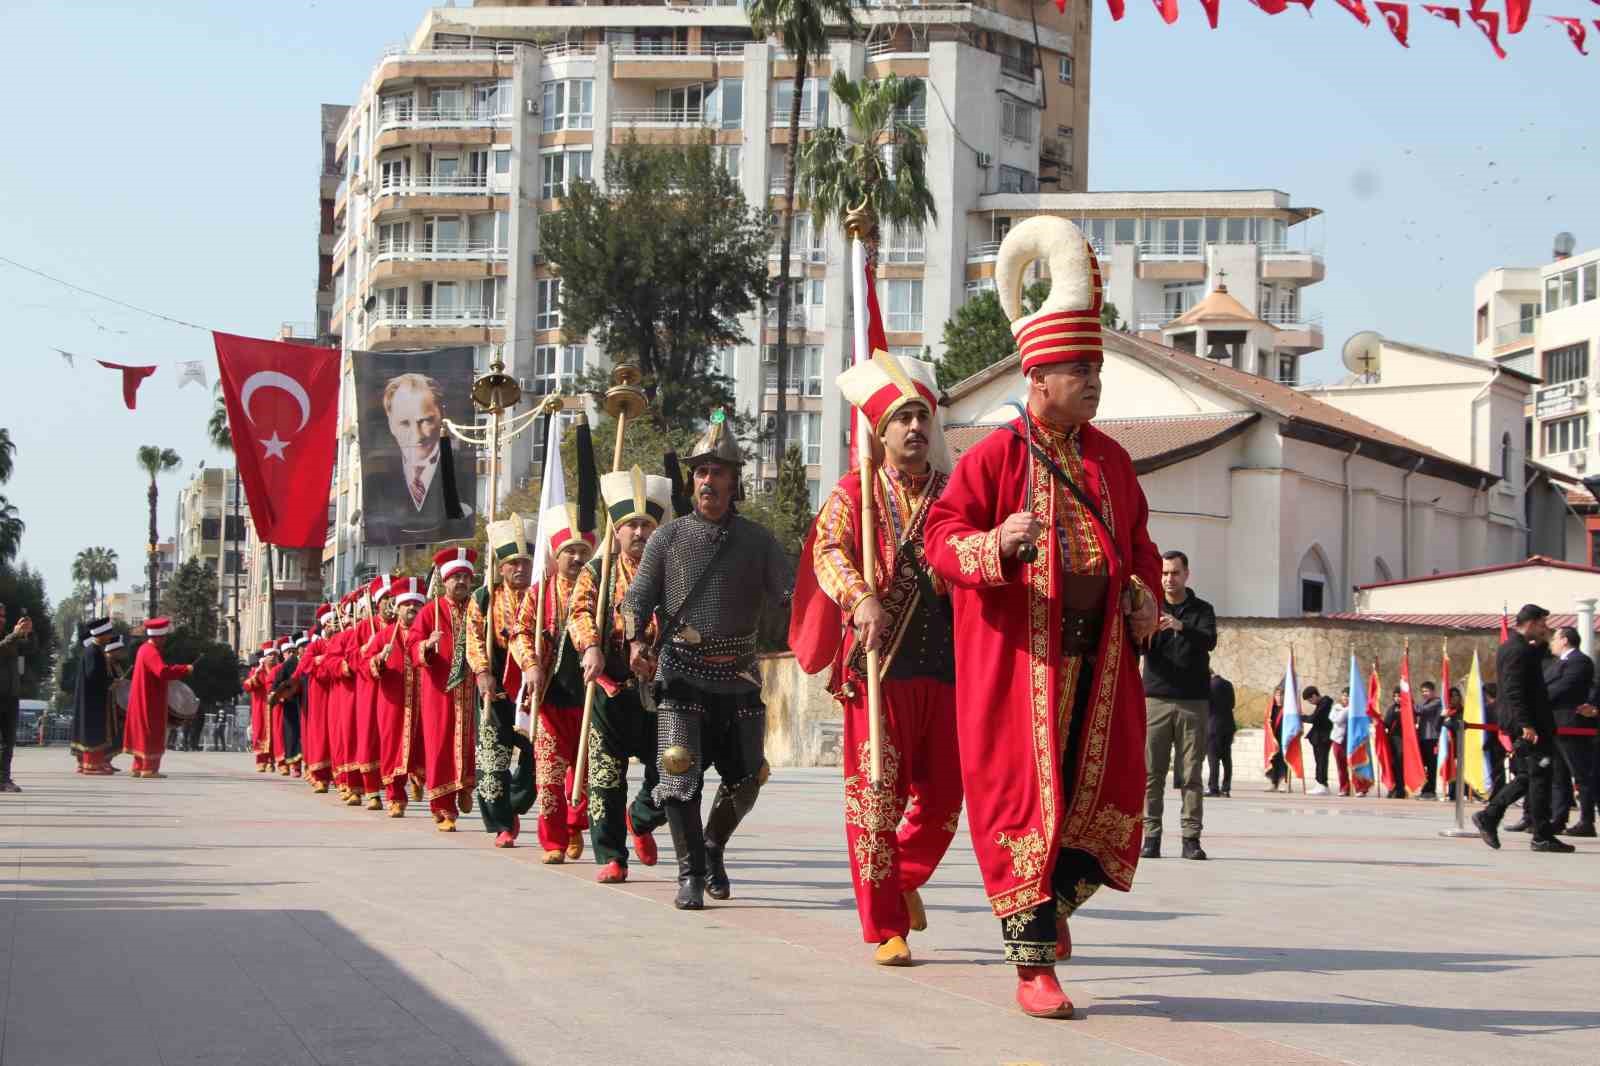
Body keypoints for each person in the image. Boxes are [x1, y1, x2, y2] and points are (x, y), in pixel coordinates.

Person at [924, 217, 1161, 1020]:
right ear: (1037, 376)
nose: (1093, 381)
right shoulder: (995, 457)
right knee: (1027, 808)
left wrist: (1144, 593)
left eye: (1096, 367)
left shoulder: (1113, 461)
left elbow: (1141, 545)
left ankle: (1052, 910)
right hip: (1019, 665)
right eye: (1078, 368)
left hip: (1099, 670)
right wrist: (994, 542)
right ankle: (1031, 968)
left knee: (1106, 805)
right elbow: (941, 540)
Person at [796, 350, 964, 966]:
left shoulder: (956, 489)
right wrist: (860, 597)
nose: (915, 428)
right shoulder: (854, 491)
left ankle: (903, 877)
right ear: (881, 431)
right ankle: (885, 927)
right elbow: (827, 552)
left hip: (947, 666)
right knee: (875, 801)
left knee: (946, 798)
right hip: (880, 666)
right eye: (902, 419)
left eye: (922, 416)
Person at [621, 411, 793, 911]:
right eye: (700, 472)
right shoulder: (667, 539)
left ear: (734, 480)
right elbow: (636, 600)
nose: (707, 480)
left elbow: (789, 594)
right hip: (681, 672)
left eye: (717, 471)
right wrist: (635, 642)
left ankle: (714, 845)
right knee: (678, 773)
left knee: (747, 776)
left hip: (738, 673)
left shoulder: (758, 541)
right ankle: (690, 872)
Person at [561, 471, 672, 884]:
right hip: (611, 688)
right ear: (617, 529)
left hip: (661, 688)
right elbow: (579, 611)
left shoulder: (672, 569)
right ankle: (611, 856)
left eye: (647, 524)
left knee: (674, 771)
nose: (640, 531)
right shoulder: (597, 570)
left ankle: (641, 820)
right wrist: (590, 645)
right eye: (632, 525)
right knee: (606, 775)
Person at [515, 506, 595, 863]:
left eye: (583, 551)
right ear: (556, 555)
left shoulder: (598, 587)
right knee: (548, 772)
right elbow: (519, 632)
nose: (577, 558)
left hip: (591, 695)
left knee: (586, 769)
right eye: (570, 551)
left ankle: (577, 827)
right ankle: (553, 842)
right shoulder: (540, 592)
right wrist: (530, 665)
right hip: (550, 696)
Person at [1472, 604, 1574, 853]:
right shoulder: (1517, 650)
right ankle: (1539, 834)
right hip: (1530, 724)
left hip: (1531, 722)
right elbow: (1513, 690)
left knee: (1533, 775)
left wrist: (1545, 639)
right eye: (1541, 625)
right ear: (1529, 623)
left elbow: (1538, 658)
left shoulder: (1519, 648)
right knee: (1539, 775)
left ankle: (1493, 816)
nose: (1545, 629)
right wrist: (1525, 724)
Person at [1140, 550, 1216, 859]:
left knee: (1191, 773)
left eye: (1175, 573)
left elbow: (1209, 640)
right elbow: (1139, 645)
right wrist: (1150, 629)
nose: (1169, 579)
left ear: (1186, 574)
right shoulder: (1150, 606)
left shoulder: (1202, 610)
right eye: (1165, 573)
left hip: (1192, 702)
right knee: (1151, 773)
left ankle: (1190, 838)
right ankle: (1151, 836)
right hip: (1156, 700)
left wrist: (1181, 626)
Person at [468, 516, 539, 849]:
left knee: (534, 758)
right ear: (500, 567)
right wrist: (482, 672)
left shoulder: (541, 596)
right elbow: (473, 640)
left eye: (525, 562)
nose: (520, 569)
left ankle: (516, 804)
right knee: (492, 761)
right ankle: (500, 823)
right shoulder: (484, 598)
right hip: (496, 692)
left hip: (534, 692)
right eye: (513, 563)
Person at [412, 547, 479, 831]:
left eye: (465, 576)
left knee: (466, 741)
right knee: (440, 743)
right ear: (445, 581)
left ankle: (463, 786)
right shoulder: (431, 611)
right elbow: (412, 643)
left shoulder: (477, 608)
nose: (461, 582)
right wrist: (427, 644)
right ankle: (443, 805)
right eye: (455, 577)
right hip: (439, 690)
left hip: (469, 688)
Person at [364, 373, 474, 544]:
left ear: (442, 415)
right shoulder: (378, 485)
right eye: (404, 423)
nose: (417, 436)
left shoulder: (463, 472)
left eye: (425, 421)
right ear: (390, 424)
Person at [373, 577, 427, 816]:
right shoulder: (386, 635)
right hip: (393, 703)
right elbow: (369, 665)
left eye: (417, 604)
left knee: (423, 745)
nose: (412, 609)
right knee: (392, 748)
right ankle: (395, 797)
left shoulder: (428, 634)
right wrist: (379, 660)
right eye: (407, 605)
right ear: (399, 607)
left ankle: (418, 778)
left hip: (423, 702)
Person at [120, 617, 192, 779]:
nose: (165, 640)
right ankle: (149, 769)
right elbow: (162, 672)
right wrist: (183, 669)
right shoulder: (151, 651)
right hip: (150, 700)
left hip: (143, 698)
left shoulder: (143, 649)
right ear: (159, 637)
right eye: (164, 637)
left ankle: (138, 766)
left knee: (142, 731)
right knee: (151, 731)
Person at [1544, 625, 1596, 835]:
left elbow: (1563, 688)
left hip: (1572, 724)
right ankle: (1559, 817)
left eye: (1555, 639)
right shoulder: (1559, 663)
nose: (1552, 643)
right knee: (1558, 775)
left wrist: (1538, 699)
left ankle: (1586, 820)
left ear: (1565, 640)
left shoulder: (1579, 662)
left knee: (1580, 774)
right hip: (1555, 724)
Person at [71, 618, 118, 774]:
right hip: (93, 701)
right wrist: (111, 682)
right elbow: (94, 675)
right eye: (108, 633)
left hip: (94, 699)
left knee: (95, 731)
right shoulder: (93, 651)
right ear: (102, 634)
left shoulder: (96, 650)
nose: (110, 636)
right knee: (94, 732)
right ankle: (92, 766)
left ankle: (92, 764)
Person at [0, 604, 34, 792]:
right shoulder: (8, 637)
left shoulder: (9, 636)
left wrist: (27, 632)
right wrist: (14, 635)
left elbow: (29, 649)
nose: (2, 619)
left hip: (11, 694)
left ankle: (4, 779)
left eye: (3, 615)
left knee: (8, 740)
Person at [244, 643, 279, 772]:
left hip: (274, 706)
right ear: (264, 657)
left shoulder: (279, 670)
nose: (273, 658)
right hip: (260, 707)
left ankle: (272, 761)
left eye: (275, 655)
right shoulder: (257, 671)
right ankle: (261, 761)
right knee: (260, 731)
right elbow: (247, 687)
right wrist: (256, 674)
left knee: (275, 733)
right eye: (270, 655)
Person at [1206, 670, 1234, 798]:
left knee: (1214, 758)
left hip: (1213, 726)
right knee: (1226, 758)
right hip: (1228, 725)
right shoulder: (1228, 684)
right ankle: (1226, 788)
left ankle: (1213, 788)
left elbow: (1206, 706)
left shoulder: (1209, 686)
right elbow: (1232, 704)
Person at [1302, 686, 1334, 796]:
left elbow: (1314, 718)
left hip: (1323, 737)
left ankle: (1322, 784)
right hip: (1318, 737)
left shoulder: (1325, 703)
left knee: (1322, 760)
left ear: (1315, 696)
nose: (1310, 702)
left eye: (1310, 700)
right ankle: (1319, 783)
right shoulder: (1320, 704)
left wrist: (1301, 717)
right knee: (1318, 760)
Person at [1413, 681, 1442, 799]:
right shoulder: (1424, 703)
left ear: (1433, 691)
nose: (1424, 693)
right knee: (1423, 765)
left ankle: (1431, 790)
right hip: (1423, 738)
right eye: (1423, 691)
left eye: (1427, 691)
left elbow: (1421, 710)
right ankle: (1425, 789)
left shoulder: (1437, 702)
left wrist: (1408, 702)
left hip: (1432, 738)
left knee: (1431, 765)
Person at [1482, 681, 1507, 794]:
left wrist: (1487, 743)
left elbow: (1494, 726)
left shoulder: (1491, 707)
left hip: (1496, 742)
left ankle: (1497, 792)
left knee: (1496, 769)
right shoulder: (1501, 705)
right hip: (1500, 741)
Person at [1383, 686, 1407, 799]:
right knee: (1391, 764)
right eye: (1395, 696)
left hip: (1403, 739)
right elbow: (1386, 723)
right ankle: (1392, 788)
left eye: (1399, 696)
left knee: (1400, 764)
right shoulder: (1391, 708)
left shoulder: (1408, 707)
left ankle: (1401, 789)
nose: (1397, 698)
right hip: (1392, 738)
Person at [1265, 684, 1288, 791]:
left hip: (1284, 738)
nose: (1279, 697)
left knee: (1284, 760)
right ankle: (1274, 783)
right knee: (1274, 761)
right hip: (1273, 739)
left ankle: (1284, 782)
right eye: (1277, 695)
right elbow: (1266, 721)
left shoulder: (1288, 709)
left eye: (1281, 695)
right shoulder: (1271, 708)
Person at [1330, 687, 1351, 796]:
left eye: (1348, 696)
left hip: (1350, 740)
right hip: (1338, 740)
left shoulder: (1353, 709)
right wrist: (1345, 710)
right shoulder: (1336, 707)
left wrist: (1345, 711)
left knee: (1354, 765)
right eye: (1344, 695)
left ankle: (1359, 787)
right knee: (1341, 766)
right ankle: (1344, 788)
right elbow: (1334, 719)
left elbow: (1339, 719)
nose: (1345, 698)